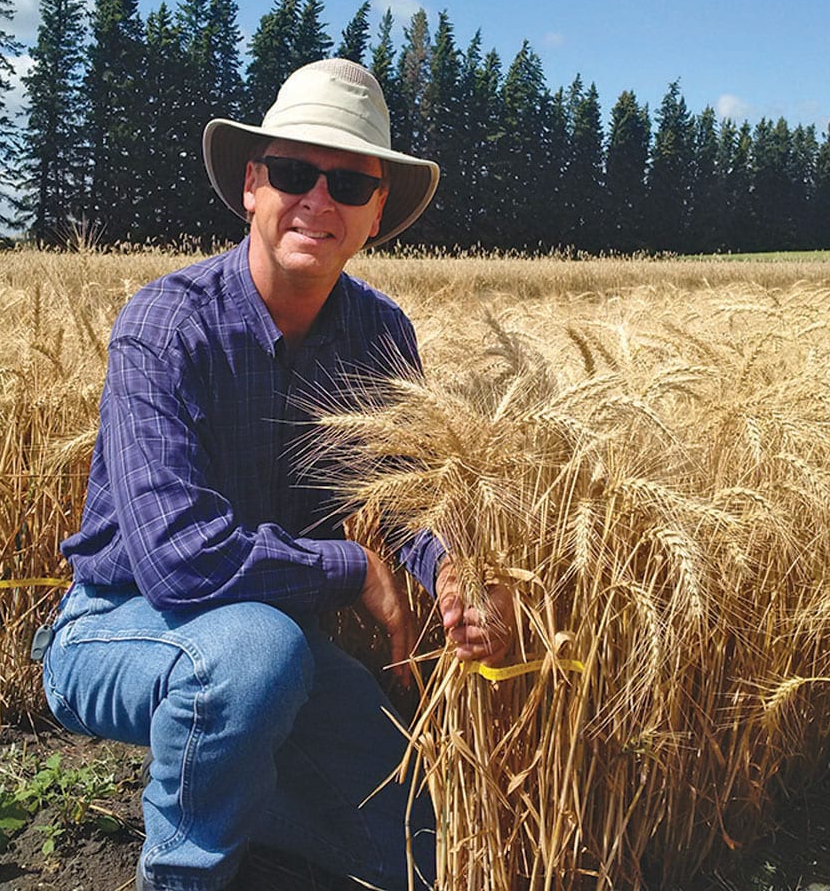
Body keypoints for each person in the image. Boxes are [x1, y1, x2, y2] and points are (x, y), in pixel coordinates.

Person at [41, 58, 514, 891]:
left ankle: (243, 791)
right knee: (257, 653)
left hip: (281, 646)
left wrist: (454, 572)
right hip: (117, 624)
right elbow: (179, 563)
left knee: (417, 853)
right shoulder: (166, 324)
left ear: (376, 215)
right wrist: (352, 567)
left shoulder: (380, 334)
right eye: (295, 172)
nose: (318, 200)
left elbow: (398, 499)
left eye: (348, 183)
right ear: (253, 185)